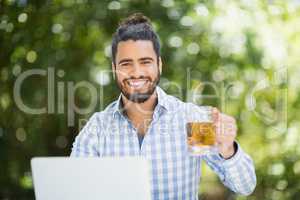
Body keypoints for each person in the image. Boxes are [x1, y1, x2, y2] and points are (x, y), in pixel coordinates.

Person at [70, 13, 256, 199]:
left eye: (145, 62)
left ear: (159, 65)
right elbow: (72, 192)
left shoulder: (190, 120)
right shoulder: (97, 129)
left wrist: (228, 149)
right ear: (114, 68)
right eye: (126, 64)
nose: (136, 72)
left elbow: (245, 186)